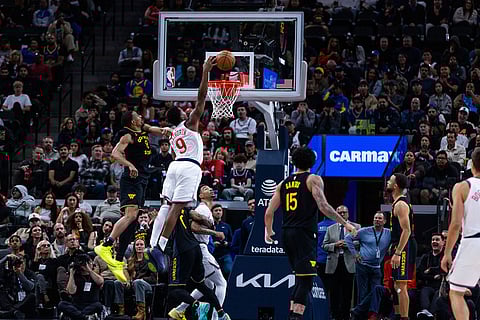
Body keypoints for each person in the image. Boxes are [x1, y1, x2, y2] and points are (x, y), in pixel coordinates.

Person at [264, 146, 357, 320]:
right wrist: (346, 224)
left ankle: (293, 315)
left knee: (300, 278)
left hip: (286, 233)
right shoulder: (313, 179)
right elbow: (323, 206)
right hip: (304, 234)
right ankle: (296, 317)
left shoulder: (283, 183)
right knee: (306, 279)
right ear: (312, 162)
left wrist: (268, 232)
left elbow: (269, 212)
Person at [150, 57, 216, 253]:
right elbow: (202, 97)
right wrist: (205, 72)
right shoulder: (190, 123)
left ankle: (153, 243)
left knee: (165, 206)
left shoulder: (172, 133)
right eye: (181, 110)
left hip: (174, 166)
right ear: (181, 115)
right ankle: (160, 247)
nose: (185, 110)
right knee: (176, 209)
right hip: (189, 166)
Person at [95, 110, 169, 282]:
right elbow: (114, 154)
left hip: (142, 179)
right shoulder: (128, 136)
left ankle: (118, 260)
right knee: (130, 215)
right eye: (138, 116)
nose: (141, 117)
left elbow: (153, 128)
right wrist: (129, 165)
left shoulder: (142, 129)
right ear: (132, 121)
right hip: (132, 179)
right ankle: (106, 245)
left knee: (134, 219)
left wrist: (167, 131)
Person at [168, 185, 228, 320]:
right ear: (200, 196)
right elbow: (194, 227)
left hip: (198, 249)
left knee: (207, 284)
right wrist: (215, 233)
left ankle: (178, 310)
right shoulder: (202, 209)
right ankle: (216, 316)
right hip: (199, 248)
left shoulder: (205, 210)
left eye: (211, 188)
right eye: (206, 189)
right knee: (221, 283)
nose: (211, 190)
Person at [441, 148, 480, 320]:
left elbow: (455, 224)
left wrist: (447, 252)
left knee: (456, 292)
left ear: (471, 164)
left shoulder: (463, 186)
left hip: (473, 241)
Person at [386, 173, 417, 320]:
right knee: (395, 285)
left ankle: (405, 317)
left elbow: (407, 230)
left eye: (390, 180)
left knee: (402, 285)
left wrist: (398, 252)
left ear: (396, 185)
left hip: (404, 246)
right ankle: (398, 315)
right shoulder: (396, 202)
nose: (387, 182)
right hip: (398, 245)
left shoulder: (401, 204)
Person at [323, 206, 361, 320]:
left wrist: (347, 244)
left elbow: (360, 243)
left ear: (348, 214)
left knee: (347, 292)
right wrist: (335, 245)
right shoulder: (330, 228)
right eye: (339, 212)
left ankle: (345, 315)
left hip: (348, 263)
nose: (342, 214)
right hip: (334, 263)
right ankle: (334, 315)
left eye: (344, 212)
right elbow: (324, 245)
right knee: (334, 292)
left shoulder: (356, 227)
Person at [345, 211, 391, 304]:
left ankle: (372, 314)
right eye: (375, 218)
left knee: (376, 292)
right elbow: (348, 238)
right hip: (363, 266)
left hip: (376, 267)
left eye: (379, 218)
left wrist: (391, 247)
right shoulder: (364, 231)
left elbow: (396, 240)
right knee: (362, 293)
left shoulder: (388, 233)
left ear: (385, 221)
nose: (377, 220)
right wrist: (355, 254)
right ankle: (361, 315)